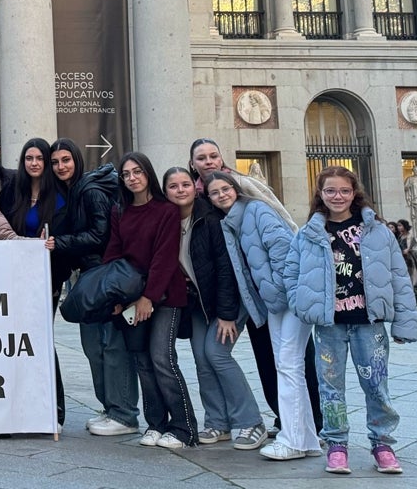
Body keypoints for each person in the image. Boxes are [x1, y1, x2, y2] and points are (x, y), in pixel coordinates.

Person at [287, 166, 417, 476]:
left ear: (354, 193)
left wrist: (404, 324)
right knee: (330, 386)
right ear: (320, 195)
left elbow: (399, 277)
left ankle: (383, 443)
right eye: (330, 191)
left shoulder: (377, 232)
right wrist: (300, 303)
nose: (338, 196)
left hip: (369, 322)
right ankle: (336, 445)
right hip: (329, 324)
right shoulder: (309, 233)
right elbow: (291, 273)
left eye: (344, 191)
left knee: (376, 385)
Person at [188, 138, 322, 437]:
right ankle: (284, 417)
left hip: (276, 292)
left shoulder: (249, 194)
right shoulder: (199, 200)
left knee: (297, 359)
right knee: (266, 358)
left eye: (213, 155)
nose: (208, 161)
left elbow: (284, 235)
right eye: (201, 158)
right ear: (193, 164)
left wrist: (280, 288)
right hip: (248, 295)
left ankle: (315, 422)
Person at [205, 170, 312, 461]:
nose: (221, 196)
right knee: (288, 367)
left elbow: (283, 252)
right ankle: (306, 438)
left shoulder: (257, 210)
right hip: (272, 302)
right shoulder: (231, 222)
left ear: (236, 189)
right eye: (214, 193)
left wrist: (278, 294)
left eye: (225, 189)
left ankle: (293, 439)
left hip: (285, 300)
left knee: (289, 367)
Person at [165, 167, 265, 450]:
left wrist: (227, 315)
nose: (181, 190)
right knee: (201, 357)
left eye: (185, 184)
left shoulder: (209, 219)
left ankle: (250, 421)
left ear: (193, 189)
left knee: (216, 354)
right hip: (198, 303)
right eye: (173, 186)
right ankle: (217, 422)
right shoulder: (169, 222)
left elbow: (226, 270)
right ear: (166, 192)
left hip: (229, 300)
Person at [104, 152, 196, 450]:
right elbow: (113, 255)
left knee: (162, 359)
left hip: (164, 296)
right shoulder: (120, 212)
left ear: (148, 174)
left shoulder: (166, 210)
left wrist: (148, 297)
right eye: (126, 174)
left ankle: (183, 428)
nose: (132, 178)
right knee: (142, 362)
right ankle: (156, 423)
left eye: (137, 172)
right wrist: (117, 297)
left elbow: (165, 258)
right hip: (131, 300)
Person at [51, 139, 136, 437]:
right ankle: (111, 408)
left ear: (76, 159)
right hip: (89, 274)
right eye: (56, 162)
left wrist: (59, 243)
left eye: (66, 160)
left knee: (110, 345)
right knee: (94, 347)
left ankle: (124, 413)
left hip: (102, 275)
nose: (61, 166)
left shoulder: (90, 190)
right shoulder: (76, 190)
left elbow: (100, 235)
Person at [1, 139, 64, 422]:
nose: (34, 163)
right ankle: (19, 404)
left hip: (45, 279)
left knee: (41, 339)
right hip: (13, 278)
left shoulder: (60, 196)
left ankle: (54, 406)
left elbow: (64, 236)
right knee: (15, 341)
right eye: (29, 158)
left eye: (40, 158)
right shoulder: (12, 193)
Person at [396, 219, 417, 289]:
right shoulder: (400, 237)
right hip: (401, 259)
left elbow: (415, 248)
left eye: (400, 226)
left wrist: (408, 250)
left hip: (408, 260)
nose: (398, 227)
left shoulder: (410, 237)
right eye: (398, 226)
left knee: (410, 276)